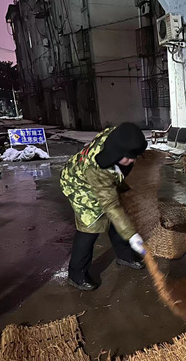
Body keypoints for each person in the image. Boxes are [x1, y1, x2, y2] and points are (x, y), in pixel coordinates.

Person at [60, 123, 148, 291]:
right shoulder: (97, 168)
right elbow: (110, 204)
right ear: (116, 152)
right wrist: (132, 235)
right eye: (129, 157)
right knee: (90, 227)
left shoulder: (116, 137)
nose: (133, 161)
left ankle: (124, 256)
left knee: (117, 220)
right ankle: (76, 275)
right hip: (79, 185)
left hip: (99, 181)